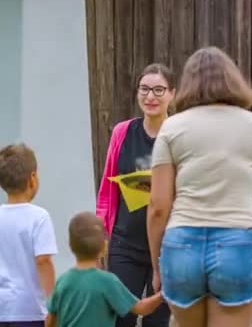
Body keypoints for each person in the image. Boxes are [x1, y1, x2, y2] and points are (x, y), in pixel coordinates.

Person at [147, 46, 252, 327]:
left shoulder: (172, 128)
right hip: (240, 244)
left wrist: (157, 264)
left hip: (182, 245)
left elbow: (158, 208)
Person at [95, 63, 175, 327]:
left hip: (167, 245)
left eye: (158, 90)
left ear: (172, 94)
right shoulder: (122, 131)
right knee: (121, 317)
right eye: (144, 89)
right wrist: (100, 238)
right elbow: (107, 189)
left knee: (158, 321)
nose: (150, 96)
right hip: (124, 242)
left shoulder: (178, 135)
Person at [0, 143, 57, 327]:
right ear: (32, 178)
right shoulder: (40, 217)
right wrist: (53, 306)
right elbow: (43, 261)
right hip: (29, 311)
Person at [45, 212, 163, 327]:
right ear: (104, 246)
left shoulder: (63, 281)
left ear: (70, 245)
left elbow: (51, 320)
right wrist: (163, 295)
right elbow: (141, 308)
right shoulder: (108, 281)